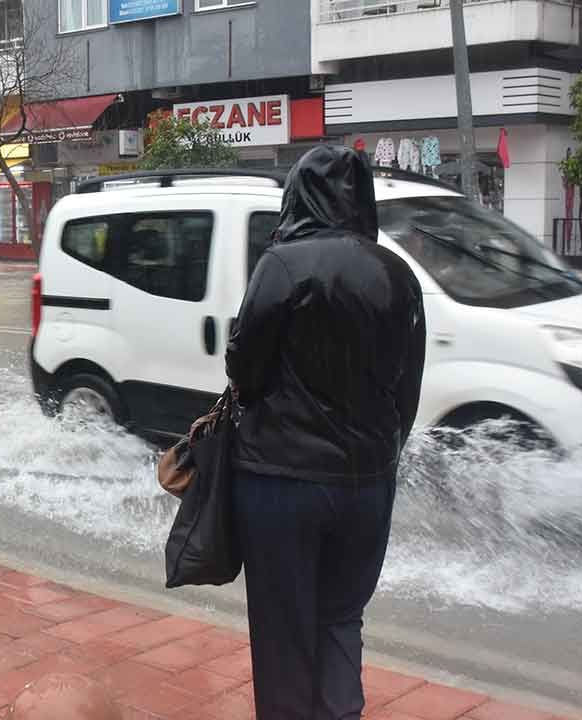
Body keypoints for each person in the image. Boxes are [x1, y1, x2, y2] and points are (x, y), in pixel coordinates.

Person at [225, 145, 426, 720]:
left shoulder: (282, 265)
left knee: (283, 630)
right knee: (342, 620)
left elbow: (244, 368)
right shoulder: (398, 275)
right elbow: (405, 394)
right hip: (367, 484)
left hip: (282, 483)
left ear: (298, 195)